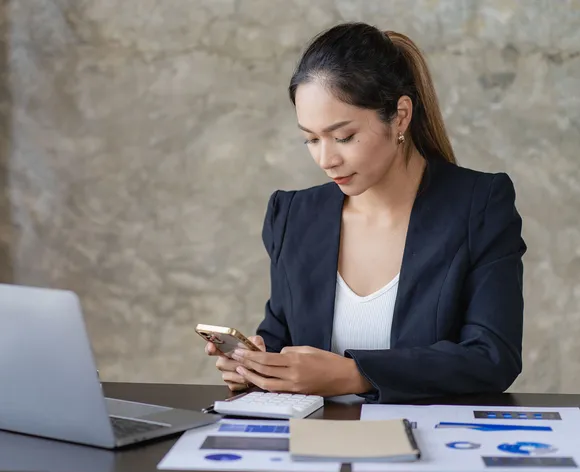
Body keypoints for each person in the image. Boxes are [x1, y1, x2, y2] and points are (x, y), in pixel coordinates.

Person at [204, 22, 526, 404]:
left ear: (401, 116)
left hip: (427, 448)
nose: (326, 159)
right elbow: (281, 337)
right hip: (314, 448)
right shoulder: (293, 215)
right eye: (310, 138)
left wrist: (354, 375)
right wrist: (254, 366)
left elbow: (492, 356)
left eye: (344, 137)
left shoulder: (479, 205)